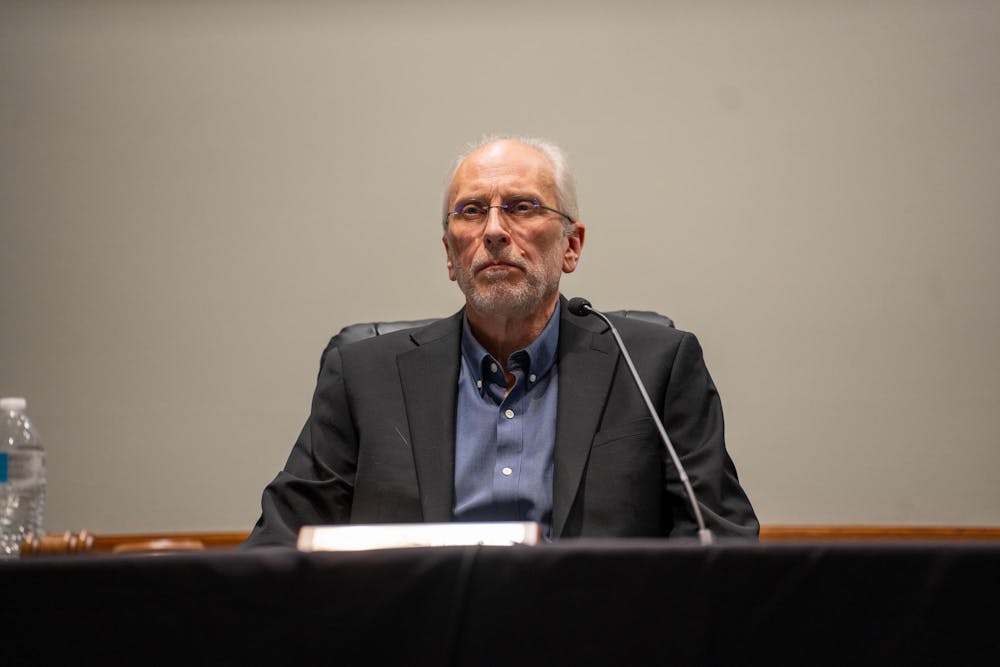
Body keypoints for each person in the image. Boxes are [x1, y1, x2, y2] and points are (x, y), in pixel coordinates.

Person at [243, 136, 757, 547]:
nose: (493, 231)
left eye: (522, 206)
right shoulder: (364, 376)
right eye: (470, 211)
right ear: (450, 253)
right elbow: (280, 542)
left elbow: (721, 541)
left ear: (571, 246)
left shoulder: (654, 368)